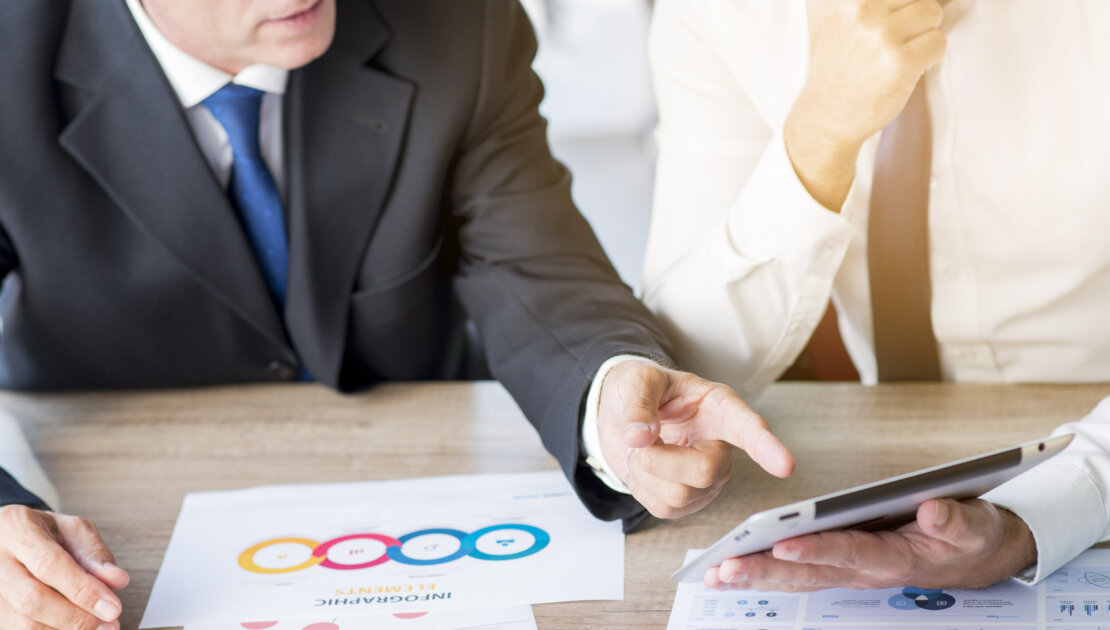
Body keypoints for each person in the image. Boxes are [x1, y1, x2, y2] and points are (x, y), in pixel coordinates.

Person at [0, 1, 797, 627]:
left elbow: (534, 266)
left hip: (421, 497)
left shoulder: (458, 19)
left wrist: (612, 406)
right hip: (112, 496)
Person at [643, 0, 1110, 591]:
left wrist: (1044, 513)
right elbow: (682, 382)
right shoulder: (717, 14)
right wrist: (819, 133)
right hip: (875, 467)